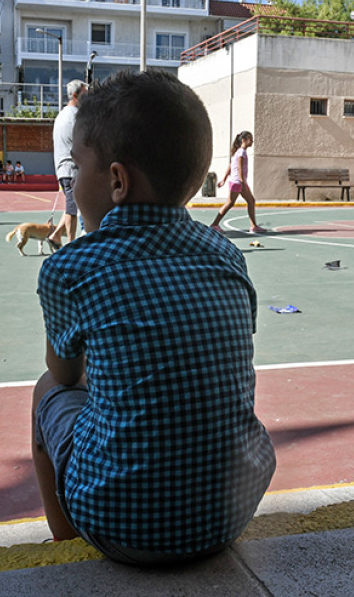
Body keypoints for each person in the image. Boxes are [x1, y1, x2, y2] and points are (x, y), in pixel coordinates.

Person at [31, 70, 275, 564]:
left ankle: (65, 537)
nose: (73, 181)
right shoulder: (225, 255)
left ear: (117, 180)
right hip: (228, 515)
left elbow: (65, 376)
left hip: (119, 526)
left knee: (46, 390)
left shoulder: (71, 268)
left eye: (77, 168)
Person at [49, 80, 88, 243]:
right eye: (85, 95)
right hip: (72, 169)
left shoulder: (62, 115)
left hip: (63, 168)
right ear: (75, 96)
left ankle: (56, 235)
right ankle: (71, 245)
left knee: (73, 206)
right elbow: (83, 142)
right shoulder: (74, 116)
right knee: (73, 209)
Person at [209, 131, 265, 232]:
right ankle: (214, 224)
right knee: (231, 203)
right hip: (238, 182)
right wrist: (243, 182)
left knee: (249, 201)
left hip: (236, 182)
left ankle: (254, 226)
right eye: (250, 139)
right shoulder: (241, 152)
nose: (252, 141)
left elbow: (230, 166)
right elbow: (239, 168)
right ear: (244, 140)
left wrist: (224, 180)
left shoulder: (238, 152)